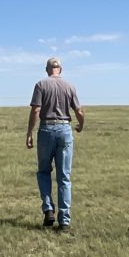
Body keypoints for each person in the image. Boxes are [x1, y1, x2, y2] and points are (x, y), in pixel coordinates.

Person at [25, 56, 84, 231]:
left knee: (44, 171)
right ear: (61, 69)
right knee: (64, 176)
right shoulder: (70, 86)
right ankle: (64, 220)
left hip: (46, 129)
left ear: (47, 69)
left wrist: (29, 132)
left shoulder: (41, 85)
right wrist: (81, 124)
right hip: (65, 130)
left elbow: (36, 109)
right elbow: (79, 110)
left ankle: (48, 208)